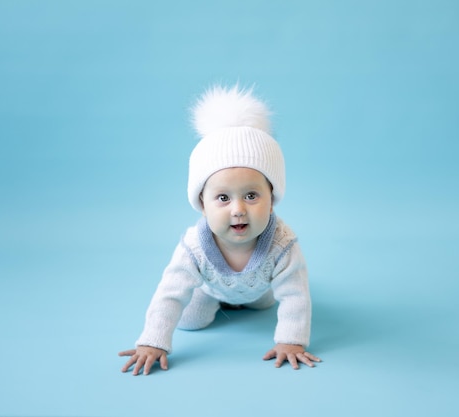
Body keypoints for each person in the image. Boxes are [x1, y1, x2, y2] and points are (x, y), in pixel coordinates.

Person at [118, 84, 320, 375]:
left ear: (272, 200)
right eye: (223, 198)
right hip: (210, 289)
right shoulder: (194, 246)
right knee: (192, 320)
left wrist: (292, 341)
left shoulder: (283, 244)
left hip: (260, 289)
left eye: (251, 196)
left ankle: (252, 301)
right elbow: (169, 294)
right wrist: (153, 341)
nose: (238, 209)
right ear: (202, 204)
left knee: (268, 304)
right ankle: (214, 300)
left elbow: (296, 295)